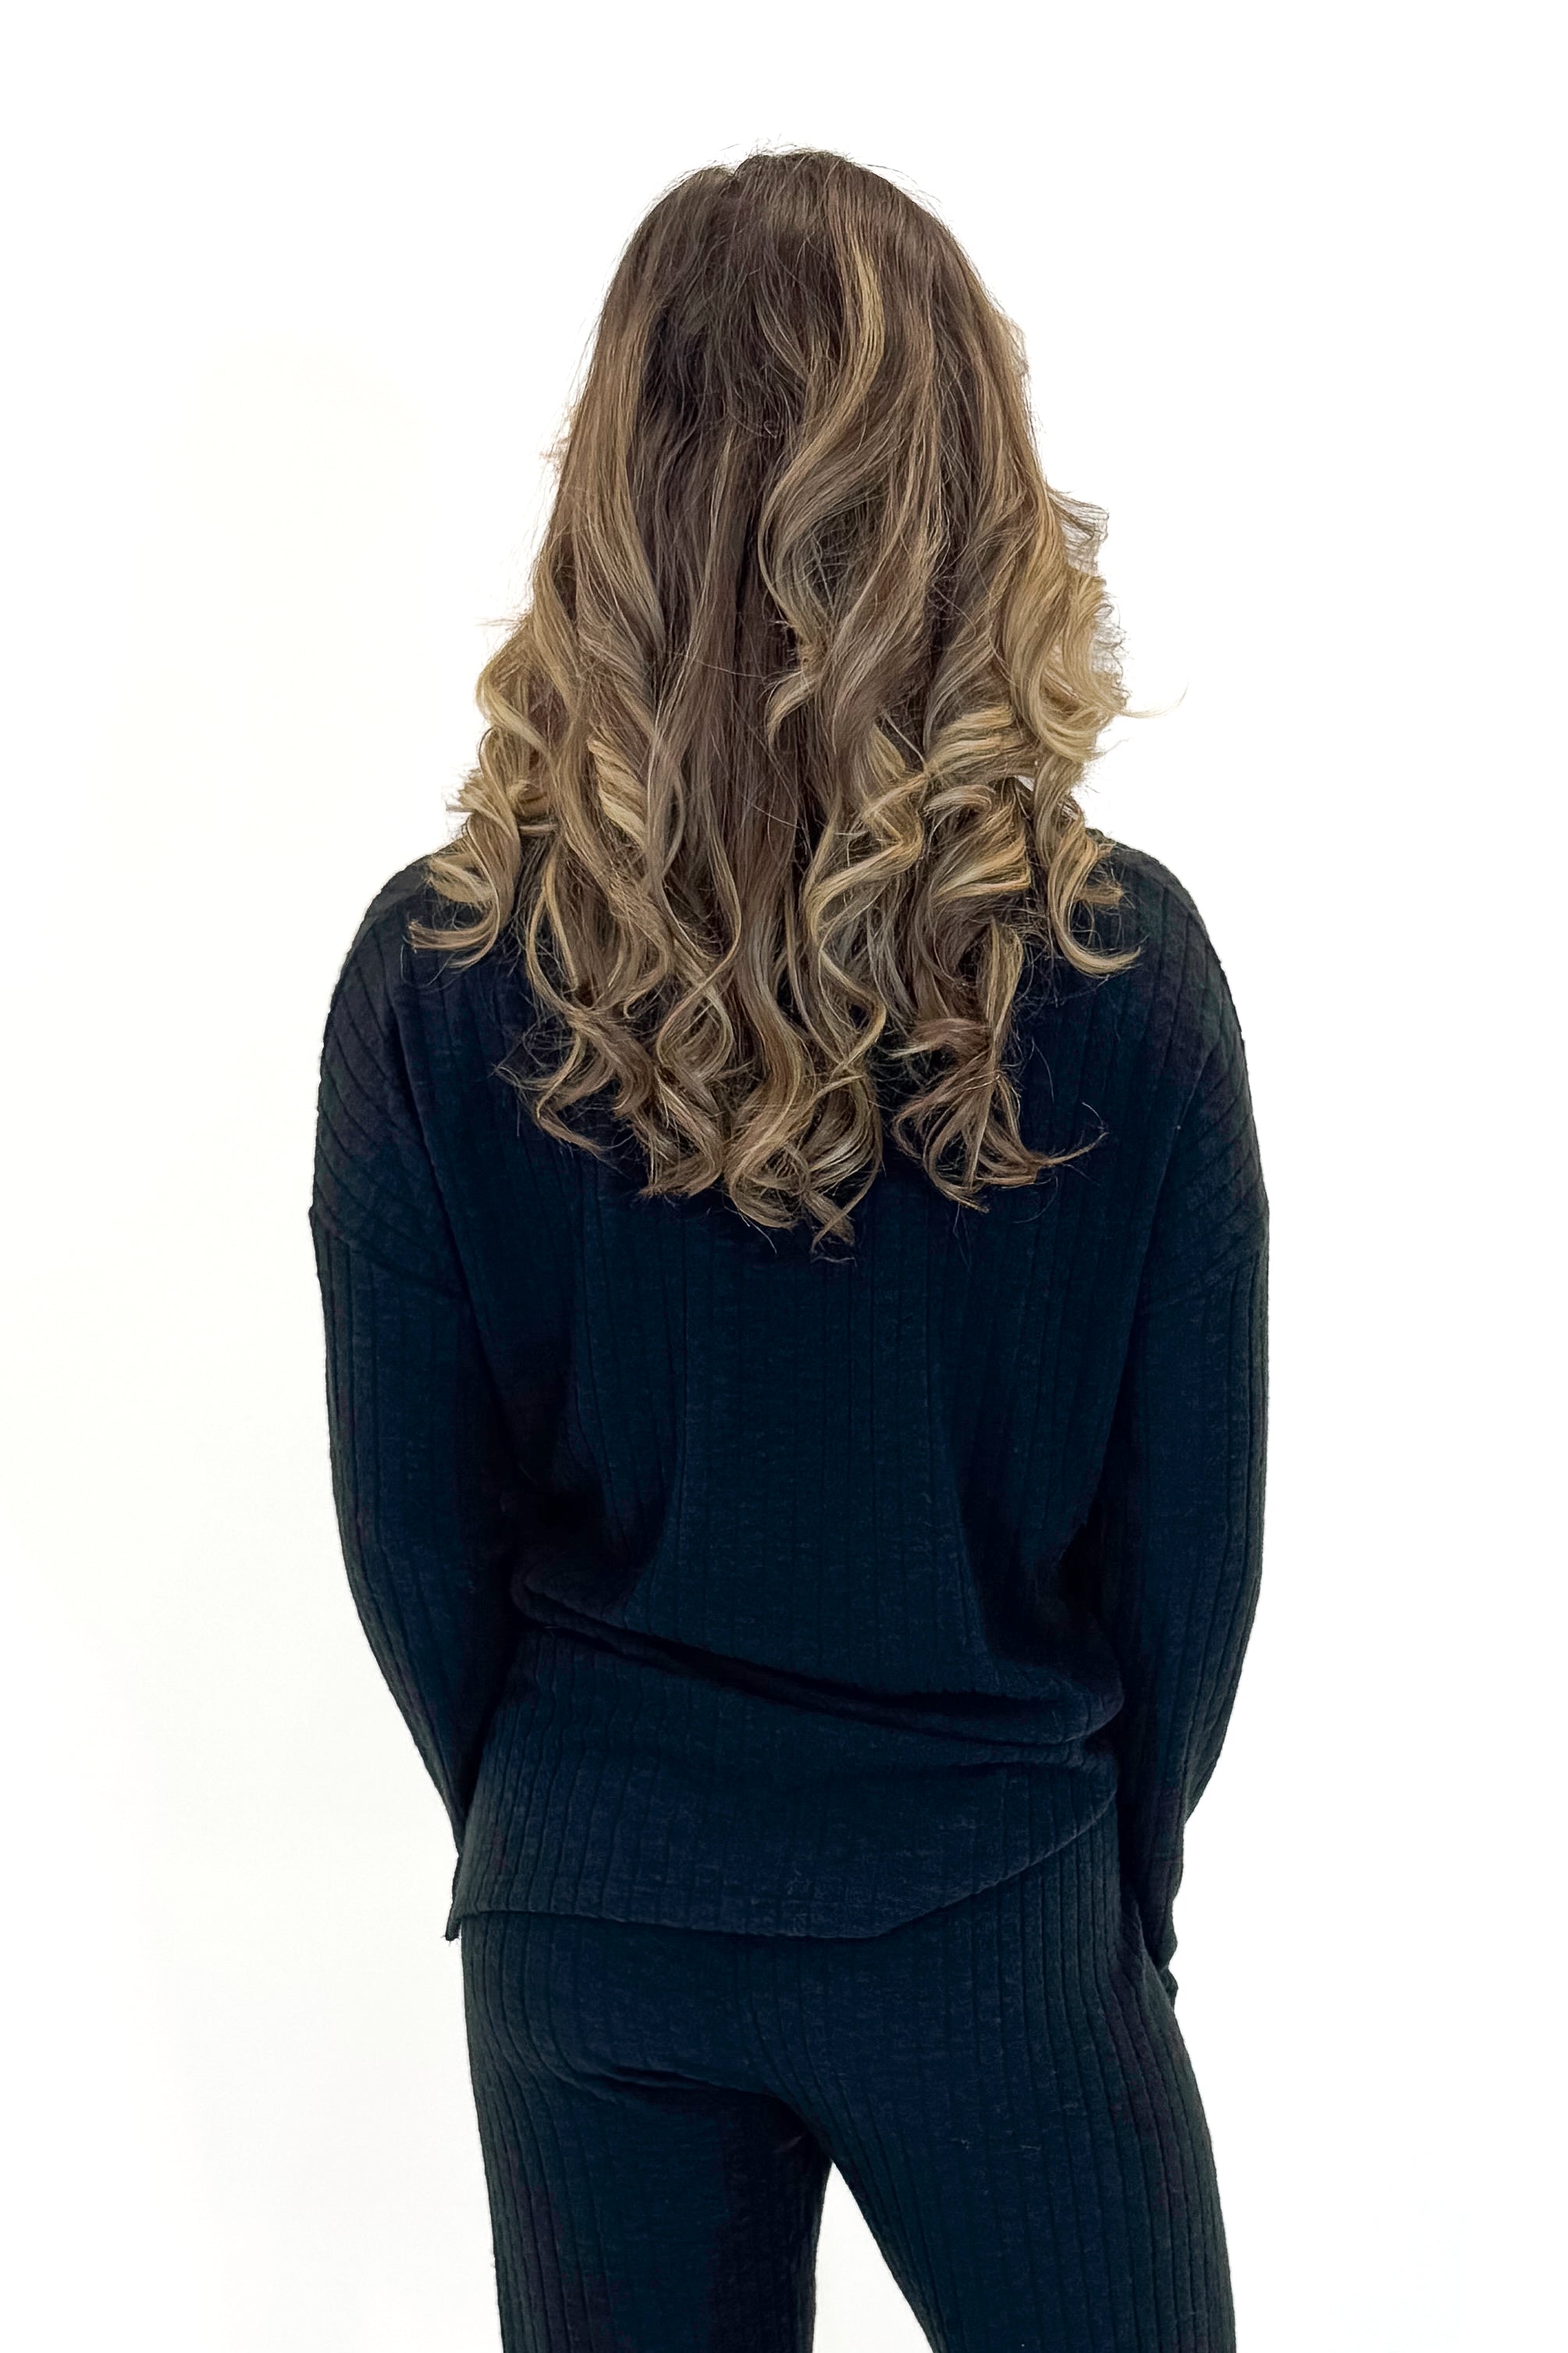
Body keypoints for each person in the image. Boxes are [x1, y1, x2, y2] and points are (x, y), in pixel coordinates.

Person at [311, 145, 1269, 2353]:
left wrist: (584, 1806)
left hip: (593, 1919)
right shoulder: (1119, 969)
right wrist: (1084, 1879)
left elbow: (413, 1546)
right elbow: (1188, 1553)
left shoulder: (434, 972)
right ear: (965, 485)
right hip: (989, 1900)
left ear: (614, 491)